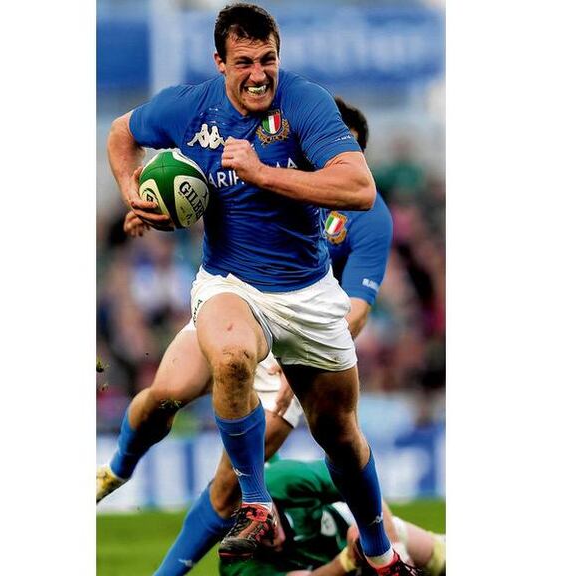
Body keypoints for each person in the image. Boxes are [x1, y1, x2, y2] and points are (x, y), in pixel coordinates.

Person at [105, 4, 415, 573]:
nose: (258, 73)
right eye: (244, 61)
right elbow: (123, 132)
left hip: (307, 296)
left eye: (268, 59)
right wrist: (133, 193)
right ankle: (254, 503)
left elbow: (360, 189)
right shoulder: (188, 108)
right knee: (220, 364)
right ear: (219, 62)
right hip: (229, 285)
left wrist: (263, 173)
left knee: (340, 435)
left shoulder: (305, 103)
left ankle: (378, 551)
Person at [218, 458, 446, 576]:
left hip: (354, 531)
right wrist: (347, 560)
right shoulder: (236, 566)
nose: (272, 540)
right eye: (258, 540)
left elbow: (360, 486)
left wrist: (396, 550)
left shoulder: (284, 479)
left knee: (442, 559)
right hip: (333, 569)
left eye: (269, 525)